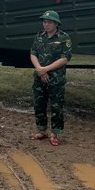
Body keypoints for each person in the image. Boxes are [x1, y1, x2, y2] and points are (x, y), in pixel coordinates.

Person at [30, 10, 72, 146]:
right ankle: (42, 130)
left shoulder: (64, 38)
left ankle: (55, 133)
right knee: (39, 104)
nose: (46, 24)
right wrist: (40, 70)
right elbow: (33, 53)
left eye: (49, 22)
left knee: (56, 106)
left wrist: (46, 69)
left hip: (56, 79)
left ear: (56, 23)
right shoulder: (39, 36)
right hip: (39, 77)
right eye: (44, 22)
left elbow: (65, 58)